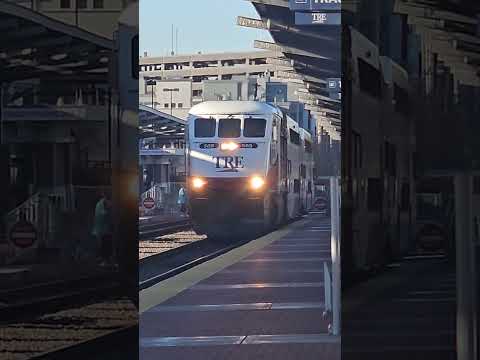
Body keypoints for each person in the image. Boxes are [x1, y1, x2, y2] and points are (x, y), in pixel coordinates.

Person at [92, 191, 113, 266]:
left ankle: (105, 259)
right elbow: (105, 214)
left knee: (103, 244)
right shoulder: (104, 203)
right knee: (105, 244)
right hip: (104, 229)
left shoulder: (99, 203)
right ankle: (106, 260)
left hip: (100, 229)